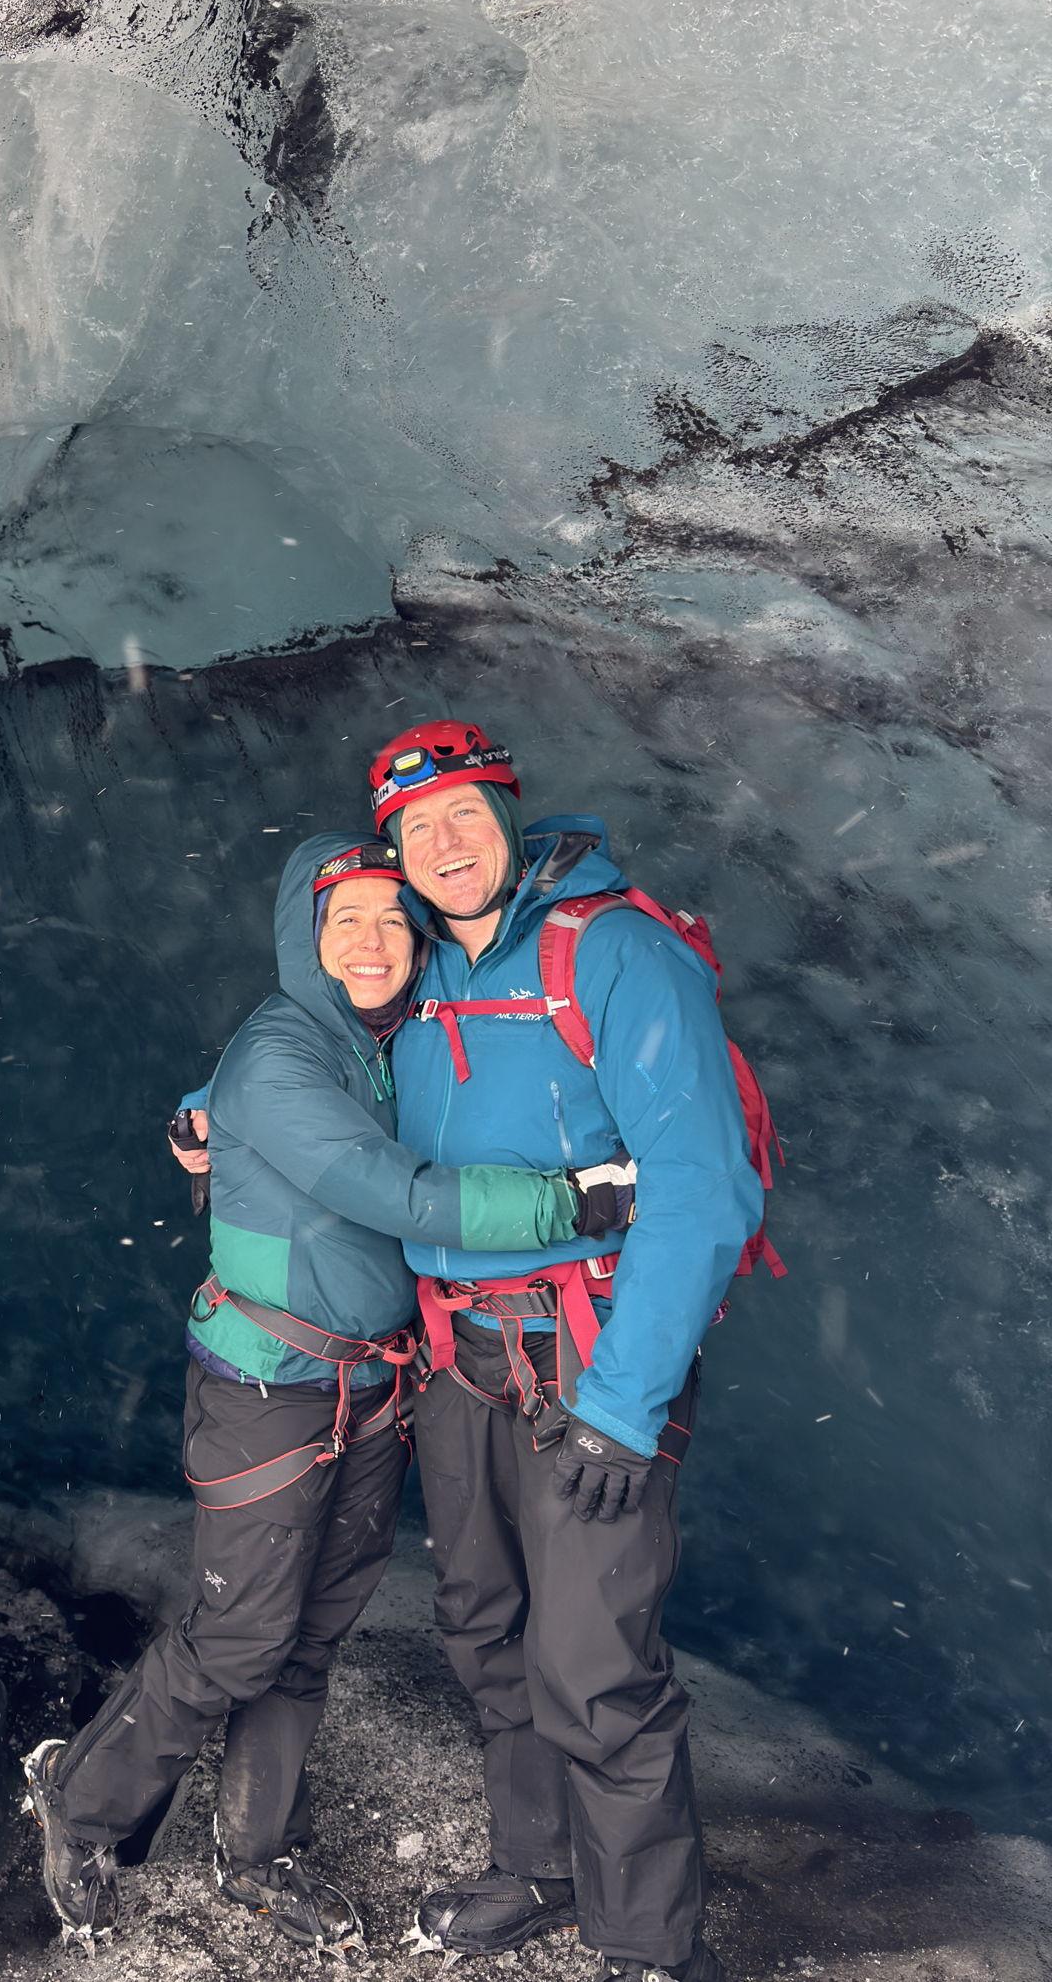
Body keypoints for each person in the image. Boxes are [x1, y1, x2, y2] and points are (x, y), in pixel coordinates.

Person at [24, 833, 632, 1954]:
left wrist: (197, 1107)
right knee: (240, 1635)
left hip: (372, 1385)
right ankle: (80, 1801)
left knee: (307, 1635)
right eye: (344, 920)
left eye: (393, 919)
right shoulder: (279, 1054)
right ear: (301, 940)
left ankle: (258, 1852)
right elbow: (391, 1188)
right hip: (270, 1388)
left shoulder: (387, 1034)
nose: (372, 942)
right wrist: (572, 1204)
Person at [378, 721, 759, 1982]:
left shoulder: (612, 952)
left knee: (592, 1661)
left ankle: (648, 1944)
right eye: (415, 829)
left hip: (584, 1365)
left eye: (462, 814)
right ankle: (537, 1866)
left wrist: (625, 1406)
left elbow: (700, 1187)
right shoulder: (416, 968)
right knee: (484, 1626)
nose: (443, 844)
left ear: (506, 813)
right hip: (459, 1359)